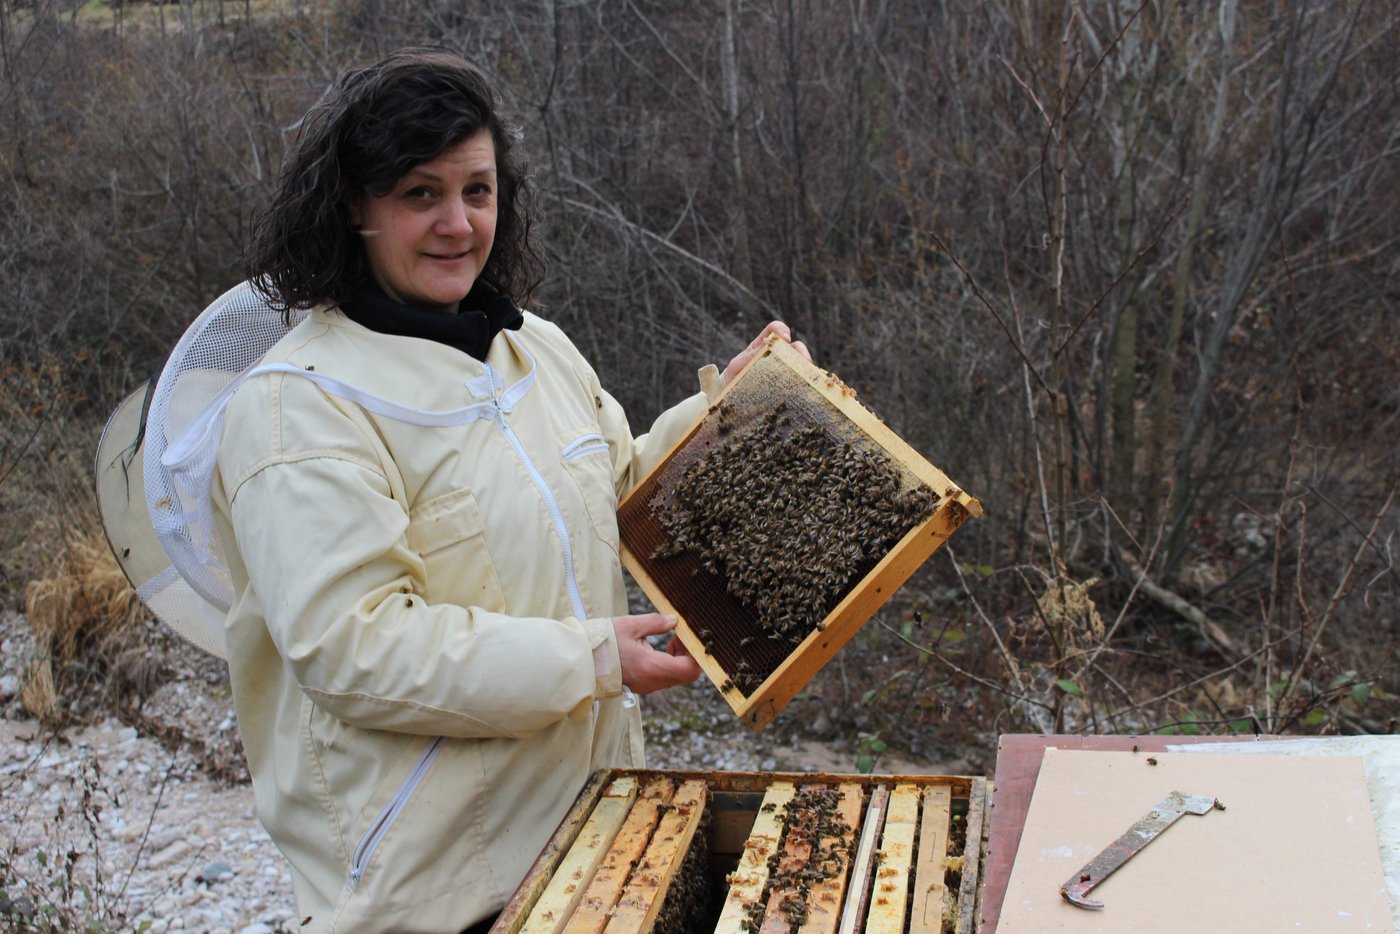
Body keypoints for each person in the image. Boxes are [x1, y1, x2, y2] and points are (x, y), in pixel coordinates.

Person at [213, 46, 807, 933]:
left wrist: (730, 412)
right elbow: (357, 647)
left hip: (600, 835)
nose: (458, 222)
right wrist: (595, 658)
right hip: (437, 887)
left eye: (478, 191)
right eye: (421, 193)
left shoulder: (537, 349)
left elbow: (619, 496)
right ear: (353, 208)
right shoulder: (298, 405)